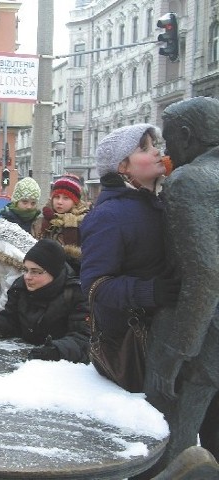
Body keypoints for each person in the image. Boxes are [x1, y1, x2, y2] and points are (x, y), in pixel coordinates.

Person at [141, 97, 219, 474]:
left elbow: (204, 273)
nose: (166, 151)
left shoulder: (190, 181)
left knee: (172, 441)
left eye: (169, 140)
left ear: (187, 134)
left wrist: (178, 351)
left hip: (196, 334)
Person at [80, 124, 178, 391]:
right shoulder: (109, 215)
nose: (158, 152)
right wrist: (150, 291)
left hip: (166, 333)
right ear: (123, 166)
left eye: (155, 145)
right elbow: (93, 285)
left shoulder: (158, 202)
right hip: (134, 345)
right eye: (145, 148)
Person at [0, 239, 90, 363]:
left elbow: (84, 338)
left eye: (35, 271)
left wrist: (56, 350)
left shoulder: (77, 293)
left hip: (65, 375)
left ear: (54, 272)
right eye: (26, 270)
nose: (27, 277)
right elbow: (10, 320)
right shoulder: (21, 287)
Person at [32, 175, 89, 272]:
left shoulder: (84, 222)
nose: (59, 202)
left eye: (66, 198)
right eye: (57, 197)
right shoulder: (41, 222)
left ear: (75, 201)